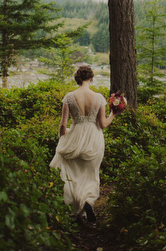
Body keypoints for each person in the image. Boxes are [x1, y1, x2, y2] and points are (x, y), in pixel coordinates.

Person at [49, 65, 117, 224]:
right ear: (91, 78)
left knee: (73, 175)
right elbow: (102, 124)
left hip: (75, 137)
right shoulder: (99, 97)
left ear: (78, 78)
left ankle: (76, 210)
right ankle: (87, 202)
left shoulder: (69, 97)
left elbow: (62, 124)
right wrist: (113, 114)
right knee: (90, 175)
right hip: (94, 139)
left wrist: (62, 138)